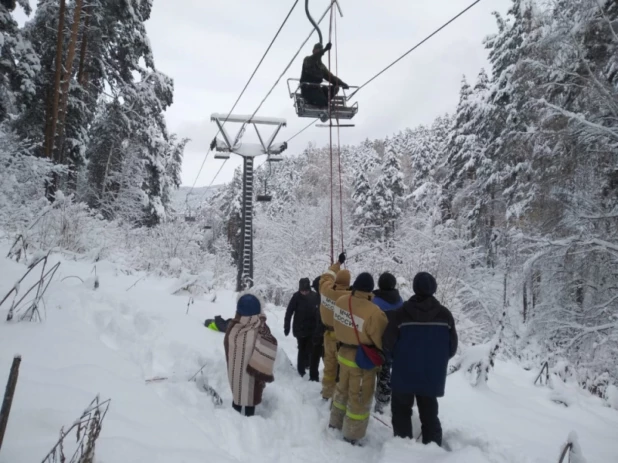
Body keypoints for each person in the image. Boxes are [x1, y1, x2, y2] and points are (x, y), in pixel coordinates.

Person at [382, 272, 458, 446]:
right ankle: (432, 453)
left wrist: (397, 358)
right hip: (431, 376)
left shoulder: (400, 314)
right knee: (430, 417)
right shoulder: (445, 315)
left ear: (415, 287)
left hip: (403, 374)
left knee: (401, 414)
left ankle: (404, 451)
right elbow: (451, 348)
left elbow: (388, 344)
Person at [329, 272, 388, 445]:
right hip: (361, 361)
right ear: (370, 289)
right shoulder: (374, 312)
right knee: (359, 398)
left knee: (342, 389)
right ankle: (352, 434)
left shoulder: (341, 302)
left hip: (343, 355)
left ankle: (335, 422)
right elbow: (380, 339)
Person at [224, 292, 278, 417]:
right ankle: (249, 417)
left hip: (235, 372)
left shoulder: (233, 328)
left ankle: (234, 417)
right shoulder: (261, 328)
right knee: (250, 394)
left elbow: (227, 346)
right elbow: (270, 343)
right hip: (252, 375)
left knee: (238, 391)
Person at [319, 253, 352, 400]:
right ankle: (339, 396)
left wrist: (338, 263)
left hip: (328, 335)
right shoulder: (350, 298)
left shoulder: (325, 289)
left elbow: (326, 276)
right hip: (342, 339)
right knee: (342, 370)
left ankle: (326, 392)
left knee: (329, 365)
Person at [372, 272, 404, 414]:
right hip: (392, 345)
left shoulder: (374, 302)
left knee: (368, 373)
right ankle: (382, 403)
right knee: (385, 373)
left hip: (374, 344)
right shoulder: (400, 302)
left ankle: (365, 399)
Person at [284, 278, 321, 381]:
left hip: (312, 328)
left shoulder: (314, 296)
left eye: (306, 290)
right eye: (302, 291)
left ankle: (307, 364)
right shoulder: (296, 297)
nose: (304, 292)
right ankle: (301, 370)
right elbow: (289, 312)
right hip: (299, 328)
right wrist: (286, 326)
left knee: (310, 348)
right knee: (301, 348)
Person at [300, 42, 349, 109]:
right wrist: (325, 49)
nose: (319, 51)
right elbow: (314, 57)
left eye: (320, 49)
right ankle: (319, 102)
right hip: (307, 90)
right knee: (322, 100)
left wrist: (342, 83)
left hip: (317, 90)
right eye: (317, 50)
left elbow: (331, 77)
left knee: (335, 87)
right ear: (313, 51)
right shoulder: (308, 60)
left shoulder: (321, 67)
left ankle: (322, 101)